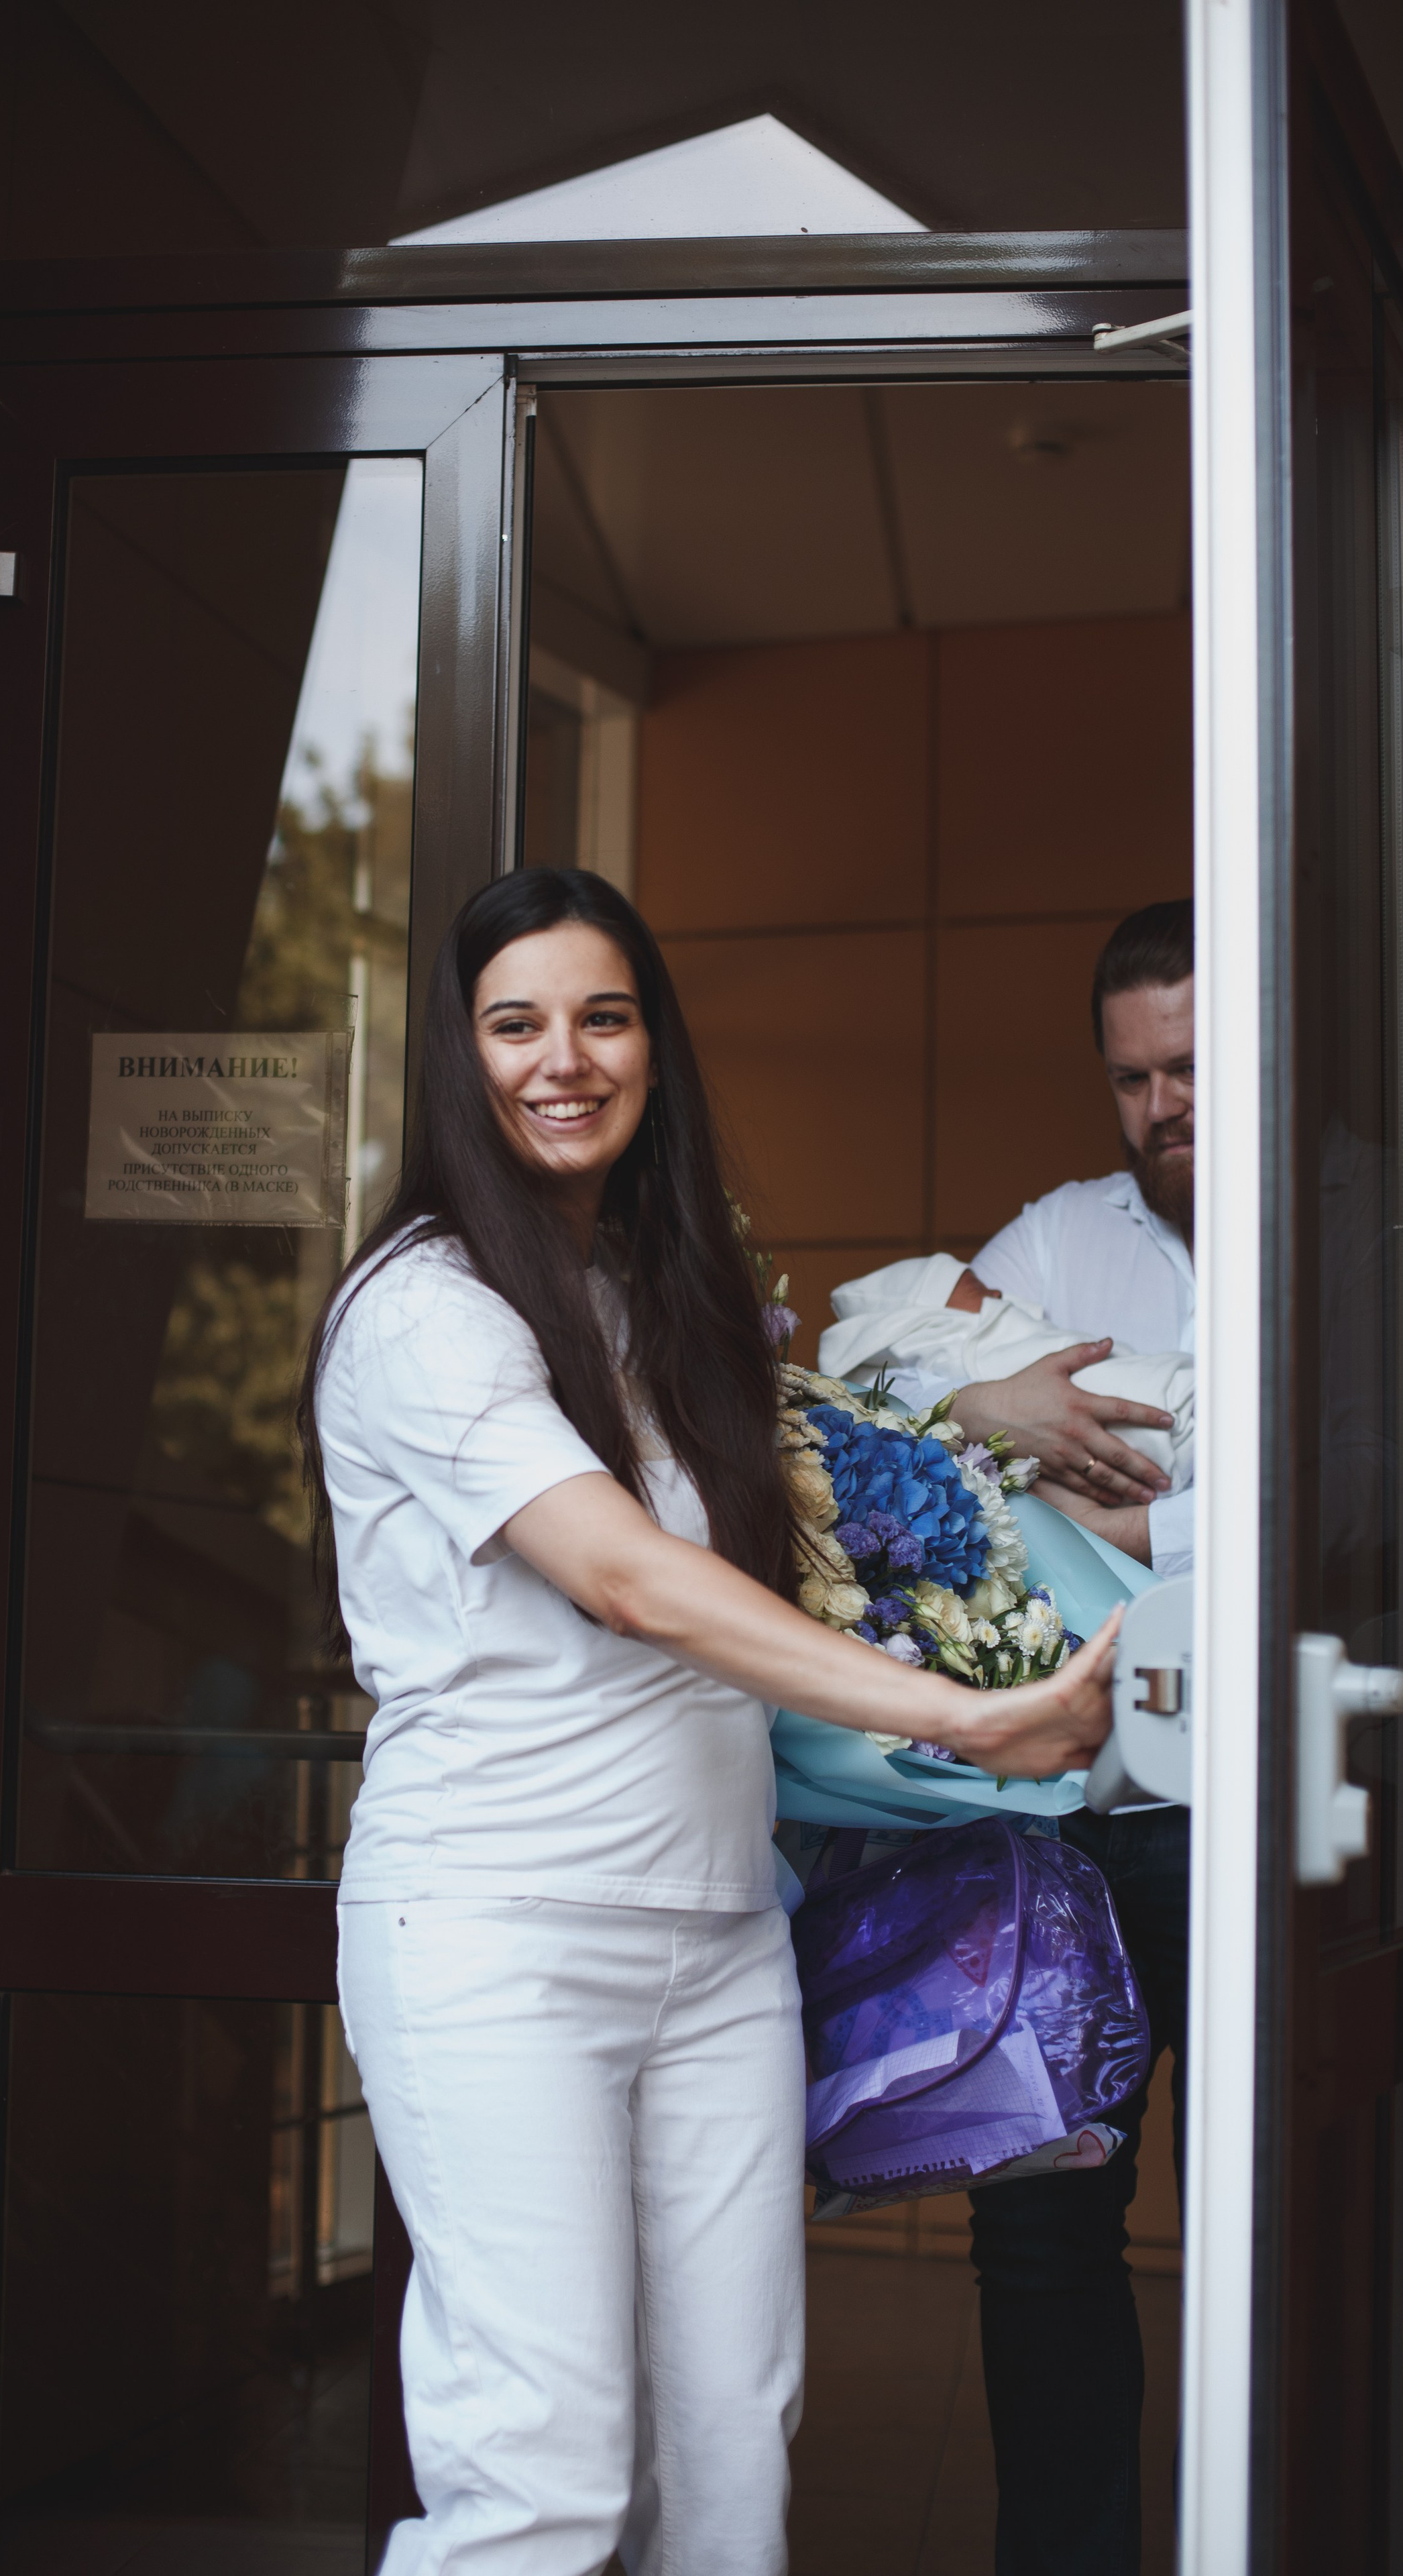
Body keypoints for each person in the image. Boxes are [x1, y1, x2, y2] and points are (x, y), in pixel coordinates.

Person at [300, 867, 1116, 2576]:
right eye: (513, 1025)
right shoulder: (424, 1309)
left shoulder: (658, 1308)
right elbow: (631, 1581)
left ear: (653, 1047)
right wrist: (967, 1721)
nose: (562, 1059)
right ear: (462, 1062)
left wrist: (1023, 1510)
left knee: (729, 2467)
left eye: (603, 1016)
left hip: (717, 1940)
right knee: (545, 2479)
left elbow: (828, 1512)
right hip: (497, 1936)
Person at [935, 898, 1195, 2576]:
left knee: (1309, 2207)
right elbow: (888, 1381)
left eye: (1186, 1065)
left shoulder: (1361, 1223)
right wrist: (987, 1410)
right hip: (1077, 1817)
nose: (1161, 1106)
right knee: (1037, 2227)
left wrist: (1142, 1502)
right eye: (1129, 1079)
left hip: (1282, 1812)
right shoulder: (1056, 1242)